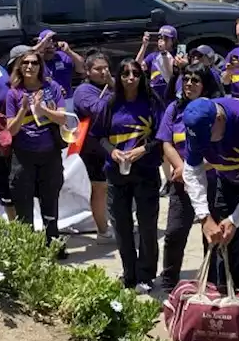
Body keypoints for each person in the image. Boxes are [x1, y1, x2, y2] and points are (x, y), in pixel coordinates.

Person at [181, 94, 239, 292]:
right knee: (224, 241)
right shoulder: (198, 125)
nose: (205, 145)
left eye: (207, 139)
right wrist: (204, 217)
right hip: (227, 180)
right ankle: (224, 296)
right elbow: (192, 171)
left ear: (219, 119)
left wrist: (237, 219)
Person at [97, 59, 164, 290]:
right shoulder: (110, 104)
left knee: (147, 226)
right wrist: (112, 151)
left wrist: (143, 149)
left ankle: (145, 275)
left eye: (135, 73)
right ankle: (129, 274)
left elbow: (162, 135)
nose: (130, 78)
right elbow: (98, 136)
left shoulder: (152, 102)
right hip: (116, 173)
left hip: (145, 171)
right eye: (125, 74)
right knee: (122, 226)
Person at [159, 63, 223, 291]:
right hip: (181, 183)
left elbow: (221, 149)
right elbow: (166, 142)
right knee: (175, 234)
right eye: (186, 79)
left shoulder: (216, 111)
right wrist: (182, 168)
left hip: (211, 181)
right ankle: (169, 285)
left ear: (205, 85)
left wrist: (192, 169)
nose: (189, 84)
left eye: (195, 80)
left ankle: (212, 285)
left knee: (212, 236)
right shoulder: (174, 109)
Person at [6, 49, 68, 247]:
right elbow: (11, 130)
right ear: (19, 67)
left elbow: (63, 118)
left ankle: (53, 243)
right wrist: (23, 108)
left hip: (49, 153)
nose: (29, 66)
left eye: (34, 63)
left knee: (50, 200)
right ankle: (29, 247)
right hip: (23, 155)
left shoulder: (52, 88)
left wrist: (43, 109)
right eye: (25, 63)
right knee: (23, 203)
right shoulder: (13, 93)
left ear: (40, 66)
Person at [0, 45, 31, 220]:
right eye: (24, 61)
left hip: (33, 145)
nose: (29, 66)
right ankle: (17, 229)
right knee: (7, 190)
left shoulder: (37, 84)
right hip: (6, 148)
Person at [73, 51, 115, 241]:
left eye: (106, 68)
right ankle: (103, 231)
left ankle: (118, 224)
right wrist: (113, 93)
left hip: (115, 144)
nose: (104, 72)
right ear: (88, 71)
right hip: (94, 147)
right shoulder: (83, 91)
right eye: (98, 69)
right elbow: (97, 110)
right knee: (100, 188)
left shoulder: (112, 86)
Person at [36, 29, 84, 96]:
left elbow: (81, 68)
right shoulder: (34, 60)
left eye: (54, 40)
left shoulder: (62, 56)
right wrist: (42, 45)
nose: (51, 43)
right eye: (48, 40)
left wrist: (68, 51)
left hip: (66, 98)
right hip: (45, 100)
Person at [138, 25, 179, 100]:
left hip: (168, 94)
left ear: (173, 41)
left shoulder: (176, 56)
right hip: (154, 93)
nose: (162, 40)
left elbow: (169, 76)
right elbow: (137, 65)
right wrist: (144, 46)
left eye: (166, 38)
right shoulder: (153, 56)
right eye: (160, 38)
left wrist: (163, 52)